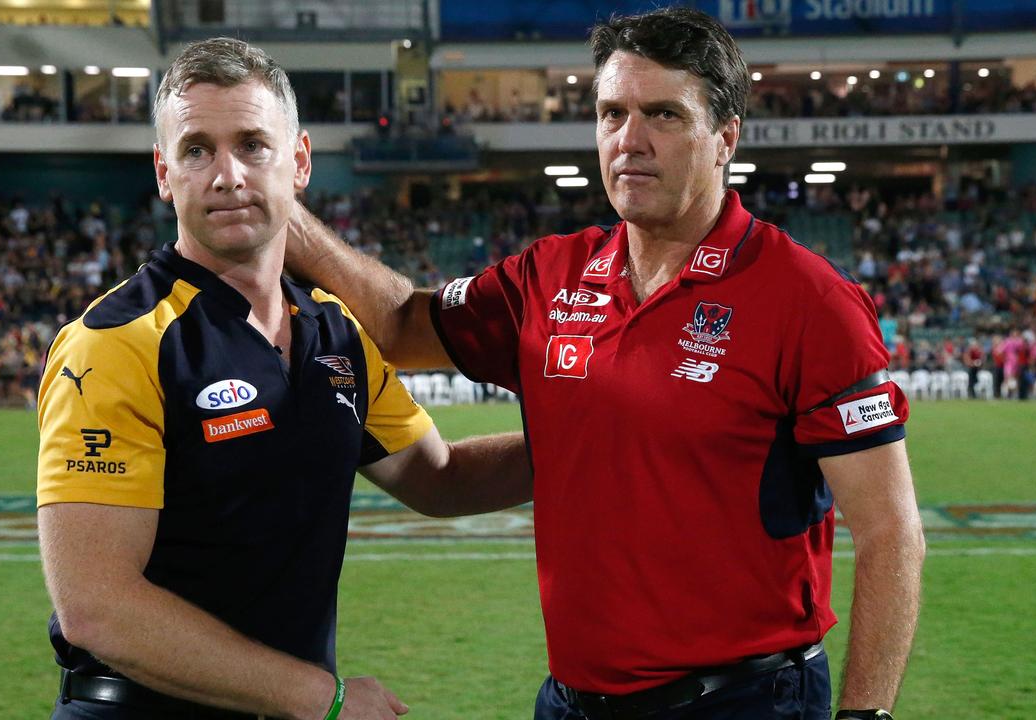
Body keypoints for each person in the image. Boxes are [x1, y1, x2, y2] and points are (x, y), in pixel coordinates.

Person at [285, 8, 924, 720]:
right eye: (611, 113)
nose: (630, 141)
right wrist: (279, 209)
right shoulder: (549, 277)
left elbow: (891, 533)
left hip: (743, 701)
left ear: (725, 140)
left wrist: (866, 716)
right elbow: (405, 325)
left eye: (663, 115)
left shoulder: (809, 299)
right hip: (570, 702)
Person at [36, 37, 531, 720]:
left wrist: (590, 434)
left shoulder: (335, 331)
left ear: (298, 162)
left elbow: (439, 477)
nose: (227, 175)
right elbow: (98, 609)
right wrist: (319, 699)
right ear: (163, 171)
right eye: (197, 149)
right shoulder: (115, 344)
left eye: (252, 144)